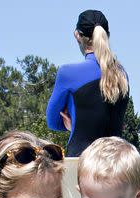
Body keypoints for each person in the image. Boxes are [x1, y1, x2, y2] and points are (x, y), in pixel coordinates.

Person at [46, 10, 129, 157]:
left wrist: (77, 125)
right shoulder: (121, 74)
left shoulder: (68, 73)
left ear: (77, 35)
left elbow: (53, 121)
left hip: (83, 163)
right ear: (107, 35)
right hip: (117, 163)